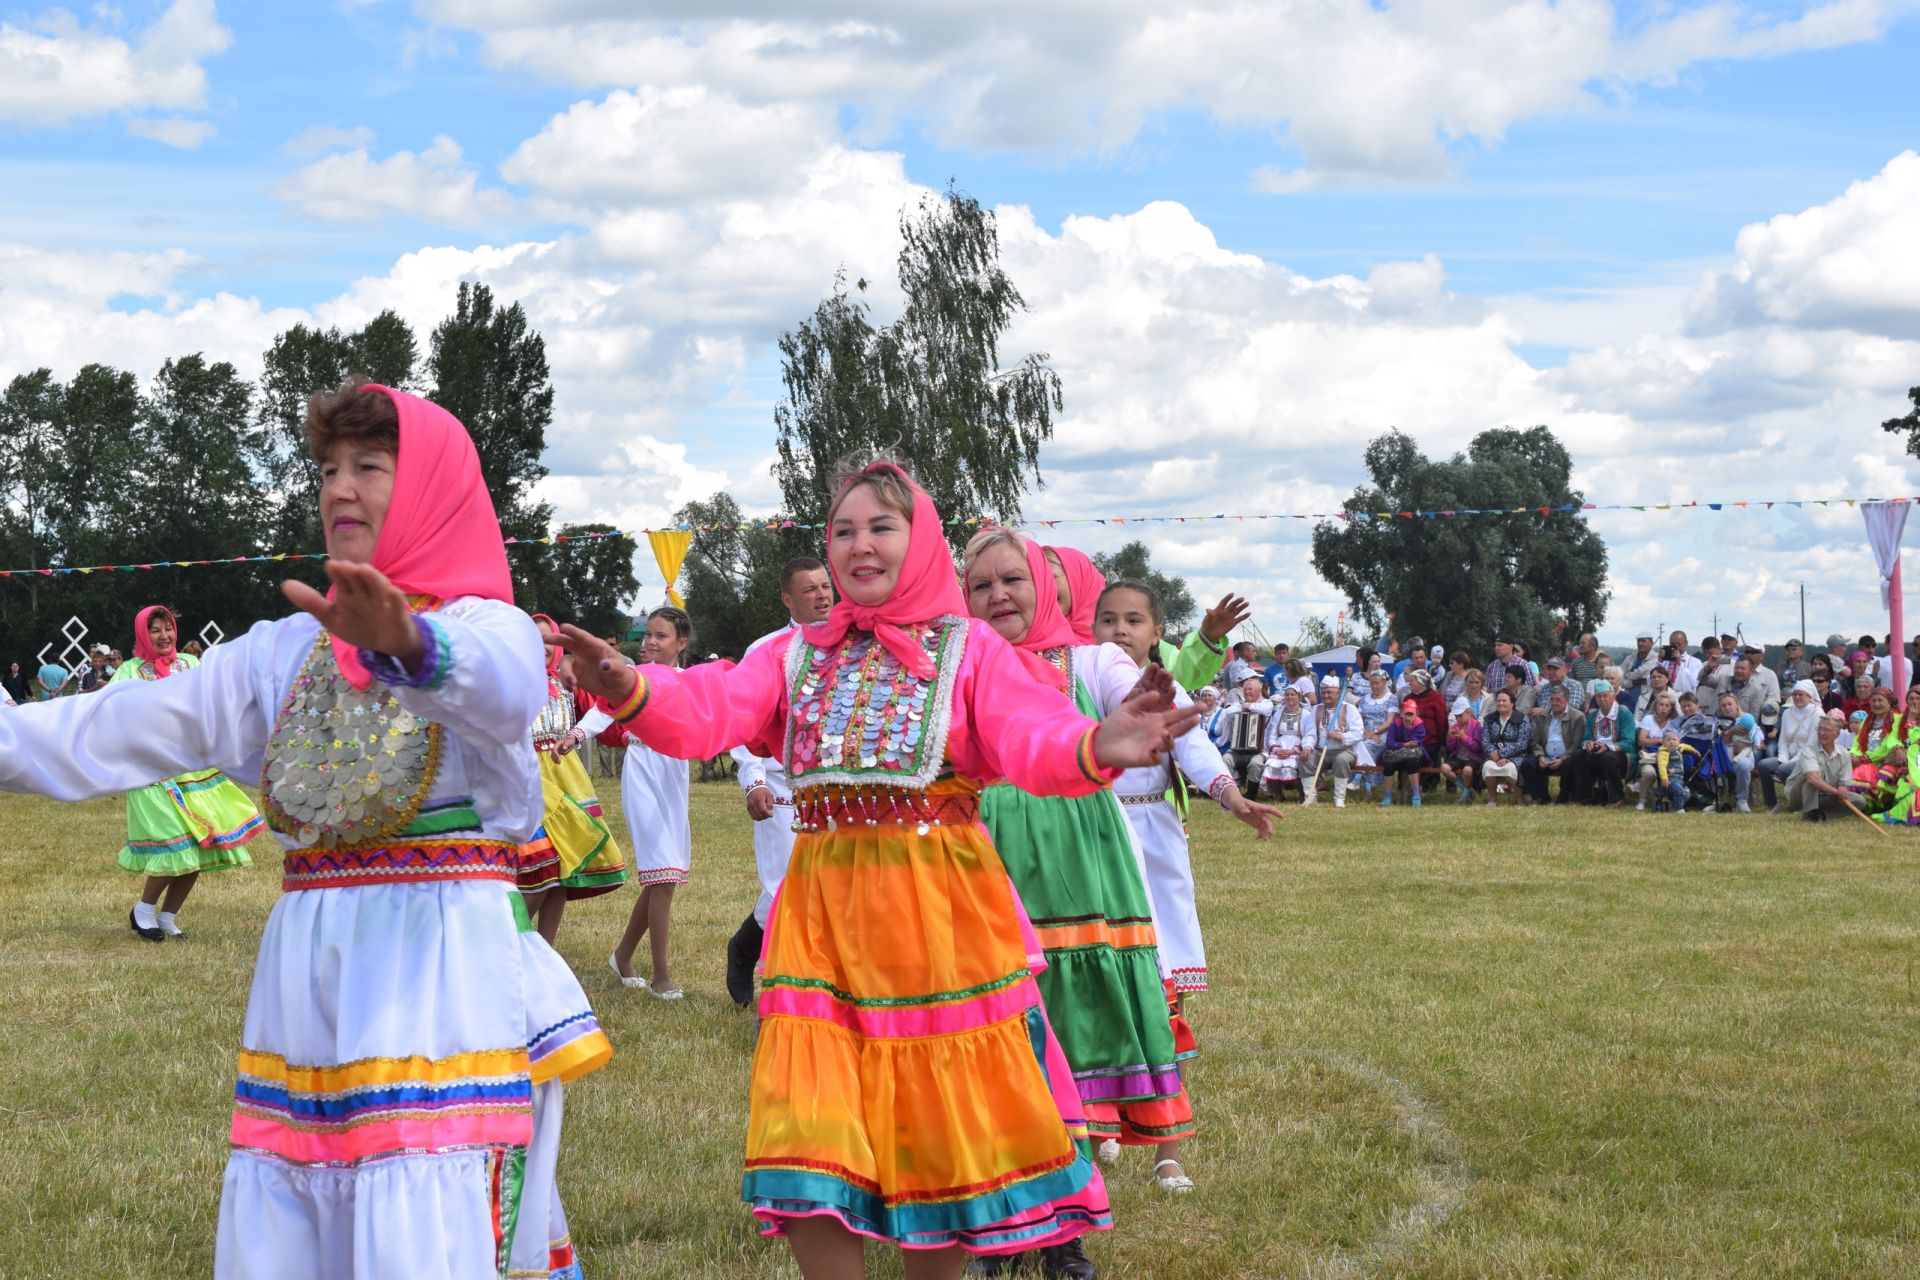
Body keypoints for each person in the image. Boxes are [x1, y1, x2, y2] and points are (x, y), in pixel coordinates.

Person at [0, 381, 613, 1276]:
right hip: (308, 973)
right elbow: (113, 729)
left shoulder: (489, 627)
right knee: (304, 1210)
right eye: (328, 468)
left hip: (438, 966)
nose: (338, 488)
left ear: (434, 489)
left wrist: (407, 641)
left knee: (420, 1204)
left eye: (370, 466)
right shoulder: (282, 650)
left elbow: (503, 688)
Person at [551, 461, 1203, 1278]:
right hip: (821, 913)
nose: (859, 545)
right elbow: (712, 705)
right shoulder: (791, 656)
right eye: (844, 530)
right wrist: (629, 684)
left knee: (940, 1132)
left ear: (920, 540)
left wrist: (1094, 743)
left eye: (881, 528)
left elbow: (1029, 731)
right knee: (808, 1124)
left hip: (938, 912)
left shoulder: (970, 654)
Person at [966, 531, 1203, 1225]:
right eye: (981, 586)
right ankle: (1015, 1173)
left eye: (1013, 579)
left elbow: (1129, 699)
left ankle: (1103, 1178)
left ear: (1047, 587)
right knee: (998, 1000)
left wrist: (1143, 716)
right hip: (985, 838)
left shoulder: (1090, 658)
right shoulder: (956, 665)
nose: (999, 595)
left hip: (1078, 846)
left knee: (1087, 990)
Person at [1092, 578, 1281, 1196]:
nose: (1121, 631)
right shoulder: (1075, 685)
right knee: (1094, 993)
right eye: (1109, 620)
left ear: (1157, 636)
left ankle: (1167, 1154)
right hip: (1093, 841)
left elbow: (1196, 750)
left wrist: (1232, 797)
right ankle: (1097, 1133)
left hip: (1156, 845)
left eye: (1135, 621)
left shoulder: (1166, 691)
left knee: (1162, 1000)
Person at [108, 605, 263, 940]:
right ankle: (144, 910)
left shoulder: (191, 664)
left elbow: (213, 703)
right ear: (142, 635)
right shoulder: (130, 672)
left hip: (193, 768)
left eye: (168, 628)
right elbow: (115, 714)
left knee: (200, 846)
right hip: (151, 770)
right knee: (173, 844)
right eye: (155, 630)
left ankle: (167, 916)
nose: (164, 636)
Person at [723, 556, 835, 1006]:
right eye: (810, 590)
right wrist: (753, 782)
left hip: (836, 785)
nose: (823, 595)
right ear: (788, 599)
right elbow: (744, 724)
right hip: (781, 784)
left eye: (826, 586)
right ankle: (762, 964)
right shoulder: (767, 650)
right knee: (786, 884)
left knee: (830, 883)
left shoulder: (852, 644)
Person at [600, 605, 695, 1000]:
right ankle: (661, 977)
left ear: (681, 643)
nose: (649, 643)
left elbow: (718, 715)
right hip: (641, 770)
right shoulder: (632, 679)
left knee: (663, 875)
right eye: (647, 636)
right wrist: (573, 736)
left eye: (660, 636)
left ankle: (622, 956)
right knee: (665, 877)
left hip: (674, 774)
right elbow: (600, 711)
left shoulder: (690, 681)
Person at [515, 614, 627, 944]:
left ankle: (545, 950)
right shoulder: (515, 685)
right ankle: (512, 939)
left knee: (566, 869)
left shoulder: (565, 686)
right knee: (543, 864)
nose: (545, 648)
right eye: (536, 640)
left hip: (567, 776)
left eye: (550, 640)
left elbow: (603, 711)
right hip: (532, 780)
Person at [1569, 679, 1634, 806]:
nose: (1602, 699)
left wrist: (1608, 747)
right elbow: (1586, 738)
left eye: (1605, 696)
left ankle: (1617, 798)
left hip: (1619, 753)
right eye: (1598, 697)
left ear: (1613, 696)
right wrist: (1589, 745)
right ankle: (1583, 796)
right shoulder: (1592, 716)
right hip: (1597, 751)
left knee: (1607, 757)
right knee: (1578, 755)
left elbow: (1629, 742)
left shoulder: (1624, 713)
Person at [1303, 674, 1363, 807]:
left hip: (1344, 750)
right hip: (1320, 750)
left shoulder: (1350, 709)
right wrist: (1307, 746)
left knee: (1341, 760)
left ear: (1338, 693)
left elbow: (1358, 733)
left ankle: (1339, 798)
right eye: (1323, 693)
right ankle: (1310, 798)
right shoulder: (1316, 709)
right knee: (1305, 759)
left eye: (1329, 692)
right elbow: (1310, 733)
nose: (1326, 696)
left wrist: (1341, 736)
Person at [1522, 684, 1584, 804]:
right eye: (1552, 699)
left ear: (1567, 700)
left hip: (1566, 757)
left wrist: (1562, 759)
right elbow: (1535, 741)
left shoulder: (1578, 717)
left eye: (1558, 700)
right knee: (1527, 764)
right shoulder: (1542, 716)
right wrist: (1540, 756)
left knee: (1572, 762)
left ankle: (1564, 797)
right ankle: (1542, 797)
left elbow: (1576, 745)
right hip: (1546, 756)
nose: (1554, 703)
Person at [1788, 712, 1855, 821]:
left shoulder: (1844, 754)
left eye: (1826, 730)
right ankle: (1809, 813)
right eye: (1819, 729)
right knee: (1811, 778)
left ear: (1837, 734)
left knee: (1859, 801)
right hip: (1799, 796)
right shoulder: (1809, 749)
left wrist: (1842, 790)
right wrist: (1836, 792)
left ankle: (1822, 814)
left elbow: (1843, 783)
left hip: (1824, 795)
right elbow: (1812, 779)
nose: (1821, 733)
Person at [1479, 688, 1529, 805]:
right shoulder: (1489, 719)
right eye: (1498, 701)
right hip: (1494, 756)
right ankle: (1492, 799)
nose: (1500, 703)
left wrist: (1502, 754)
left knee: (1510, 768)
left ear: (1512, 703)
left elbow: (1522, 743)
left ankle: (1520, 799)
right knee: (1488, 766)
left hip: (1516, 756)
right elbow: (1485, 741)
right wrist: (1495, 756)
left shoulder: (1522, 719)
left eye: (1504, 701)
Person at [1377, 699, 1428, 806]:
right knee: (1388, 765)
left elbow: (1416, 742)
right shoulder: (1395, 724)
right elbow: (1389, 742)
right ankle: (1388, 796)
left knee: (1412, 762)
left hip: (1412, 754)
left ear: (1416, 713)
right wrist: (1404, 745)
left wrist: (1400, 745)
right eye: (1406, 713)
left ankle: (1416, 795)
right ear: (1401, 713)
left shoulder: (1419, 724)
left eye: (1411, 713)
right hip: (1396, 754)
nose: (1408, 715)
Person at [1634, 690, 1680, 809]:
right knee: (1649, 772)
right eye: (1661, 705)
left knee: (1674, 773)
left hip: (1667, 760)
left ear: (1671, 709)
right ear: (1655, 706)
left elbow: (1675, 744)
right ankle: (1642, 800)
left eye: (1667, 705)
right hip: (1649, 757)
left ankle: (1670, 800)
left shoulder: (1673, 723)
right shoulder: (1648, 719)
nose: (1663, 708)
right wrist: (1660, 740)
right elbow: (1641, 741)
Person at [1261, 685, 1309, 796]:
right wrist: (1277, 749)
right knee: (1270, 766)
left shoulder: (1306, 714)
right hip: (1280, 747)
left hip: (1297, 748)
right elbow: (1271, 735)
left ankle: (1302, 794)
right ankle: (1278, 795)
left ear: (1299, 697)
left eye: (1293, 694)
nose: (1289, 697)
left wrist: (1293, 751)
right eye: (1287, 695)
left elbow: (1308, 736)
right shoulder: (1278, 713)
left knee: (1290, 768)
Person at [1437, 697, 1484, 801]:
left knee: (1467, 770)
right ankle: (1466, 790)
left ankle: (1466, 794)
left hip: (1473, 758)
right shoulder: (1455, 726)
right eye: (1456, 716)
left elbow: (1477, 747)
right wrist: (1450, 738)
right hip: (1459, 757)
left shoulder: (1477, 726)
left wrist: (1464, 737)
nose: (1458, 719)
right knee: (1444, 768)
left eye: (1460, 716)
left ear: (1468, 712)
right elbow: (1451, 747)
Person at [1654, 730, 1700, 814]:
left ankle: (1672, 804)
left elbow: (1686, 746)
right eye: (1668, 740)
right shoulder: (1664, 752)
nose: (1671, 742)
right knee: (1680, 792)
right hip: (1670, 779)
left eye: (1674, 739)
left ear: (1678, 741)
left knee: (1687, 794)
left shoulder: (1679, 747)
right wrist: (1664, 779)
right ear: (1663, 742)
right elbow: (1662, 766)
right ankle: (1679, 810)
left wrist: (1694, 750)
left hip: (1679, 778)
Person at [1620, 631, 1659, 712]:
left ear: (1651, 643)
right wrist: (1634, 683)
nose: (1640, 643)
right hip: (1628, 699)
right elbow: (1619, 678)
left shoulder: (1656, 658)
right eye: (1638, 641)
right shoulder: (1630, 658)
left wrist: (1627, 675)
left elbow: (1640, 673)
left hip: (1647, 699)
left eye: (1643, 641)